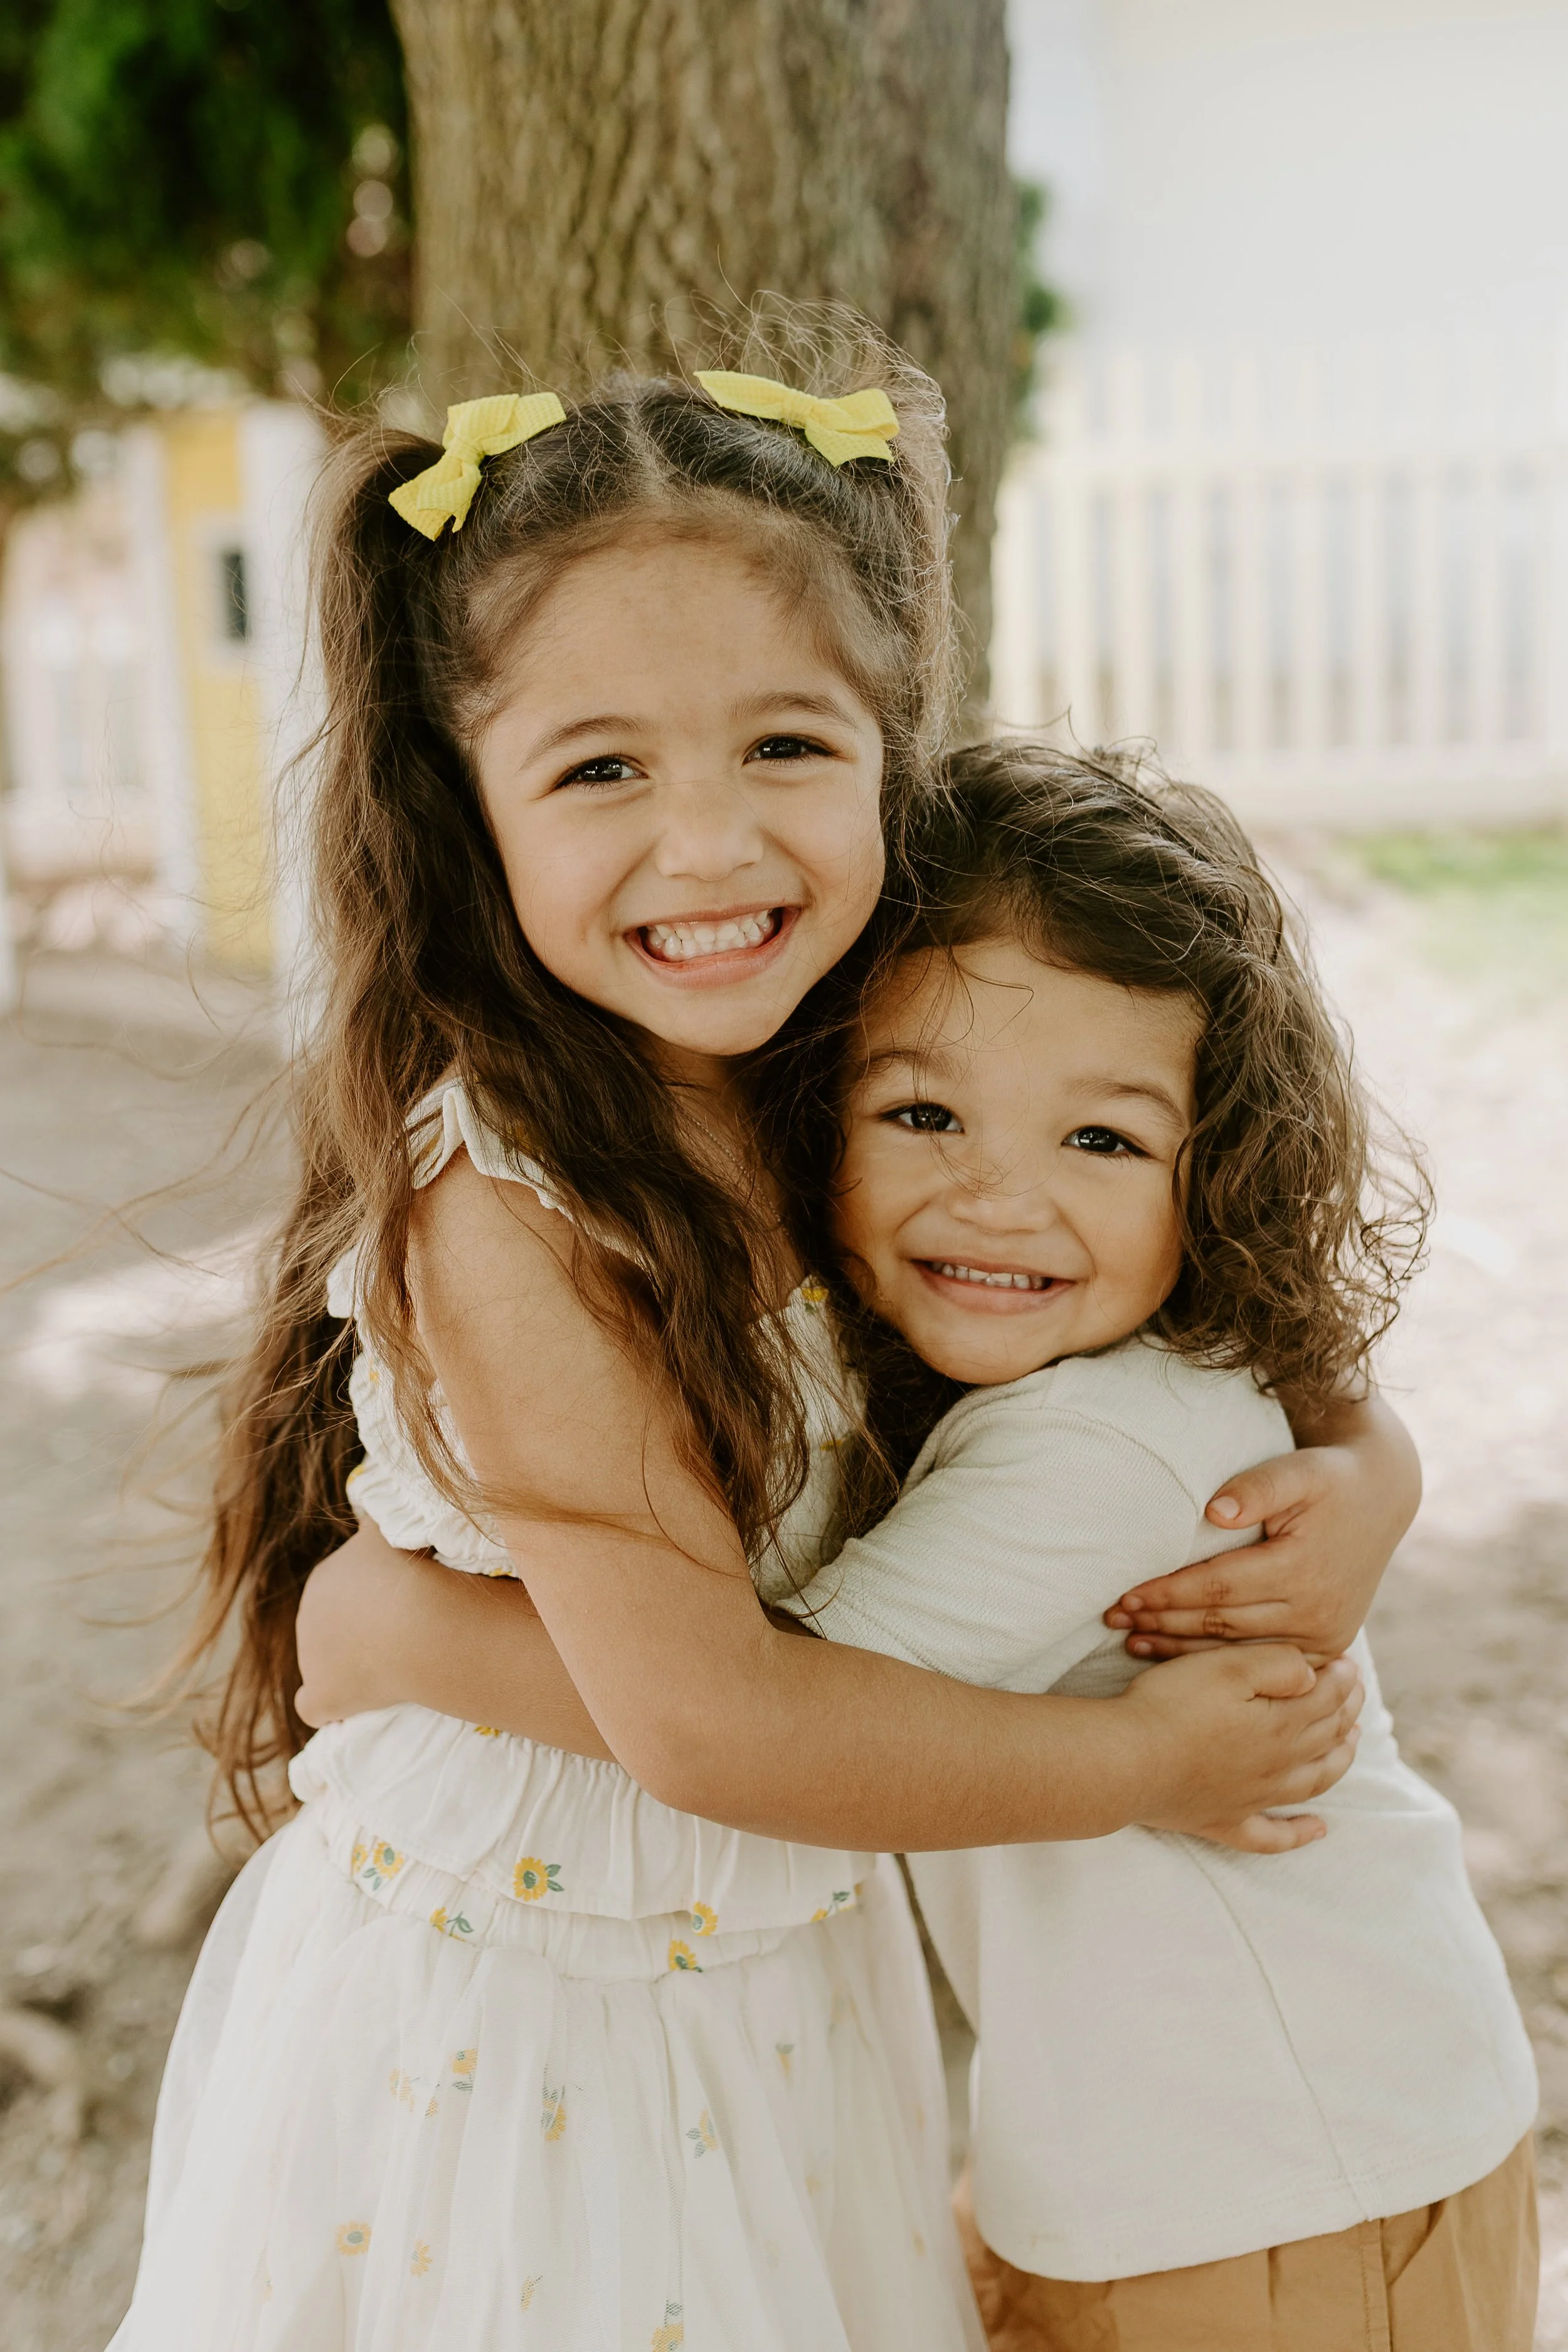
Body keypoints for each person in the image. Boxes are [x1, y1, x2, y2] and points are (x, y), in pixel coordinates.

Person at [119, 319, 1402, 2351]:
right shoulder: (511, 1200)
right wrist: (1138, 1757)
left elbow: (1195, 1252)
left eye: (785, 748)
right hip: (532, 2022)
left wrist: (1366, 1469)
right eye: (603, 767)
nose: (708, 847)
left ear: (892, 745)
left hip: (779, 1984)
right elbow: (705, 1722)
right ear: (473, 803)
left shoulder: (864, 1043)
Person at [775, 744, 1535, 2351]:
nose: (997, 1198)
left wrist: (401, 1635)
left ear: (1218, 1174)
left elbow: (760, 1727)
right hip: (1232, 2157)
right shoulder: (1102, 1386)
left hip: (1278, 2192)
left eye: (1100, 1143)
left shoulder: (1097, 1445)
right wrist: (1370, 1451)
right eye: (924, 1111)